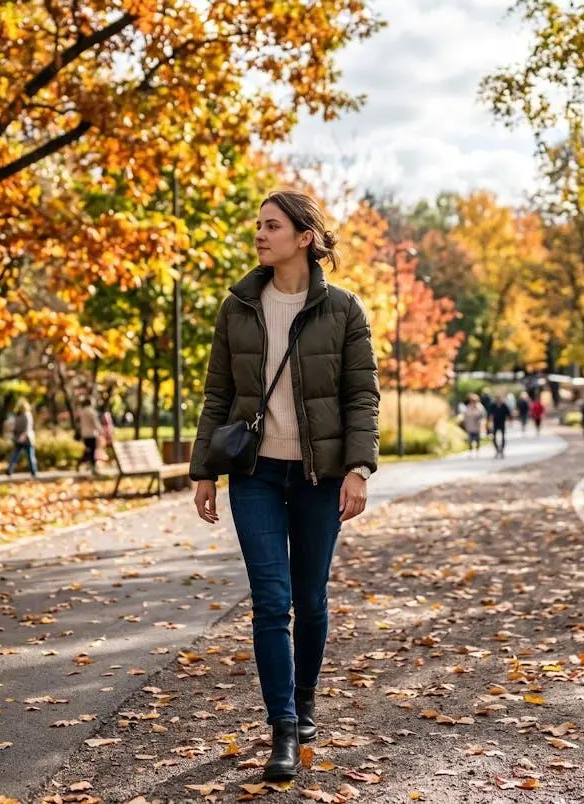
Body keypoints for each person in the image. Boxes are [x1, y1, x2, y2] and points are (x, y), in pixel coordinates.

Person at [190, 189, 379, 783]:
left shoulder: (344, 309)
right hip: (256, 476)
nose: (260, 234)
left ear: (304, 237)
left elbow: (360, 397)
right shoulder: (237, 307)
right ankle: (284, 727)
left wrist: (359, 467)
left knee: (311, 597)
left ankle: (306, 700)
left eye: (272, 226)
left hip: (319, 477)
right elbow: (218, 394)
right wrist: (203, 471)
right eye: (257, 226)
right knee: (272, 602)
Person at [6, 399, 38, 478]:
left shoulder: (17, 415)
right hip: (27, 438)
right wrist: (23, 436)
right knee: (30, 456)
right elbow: (28, 427)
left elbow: (13, 427)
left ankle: (10, 470)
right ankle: (33, 473)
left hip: (18, 438)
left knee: (15, 455)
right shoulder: (27, 415)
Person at [76, 400, 101, 474]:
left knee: (87, 451)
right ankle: (93, 468)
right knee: (92, 451)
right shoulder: (91, 411)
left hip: (85, 434)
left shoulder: (82, 412)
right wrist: (100, 431)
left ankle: (81, 463)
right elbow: (95, 423)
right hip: (92, 434)